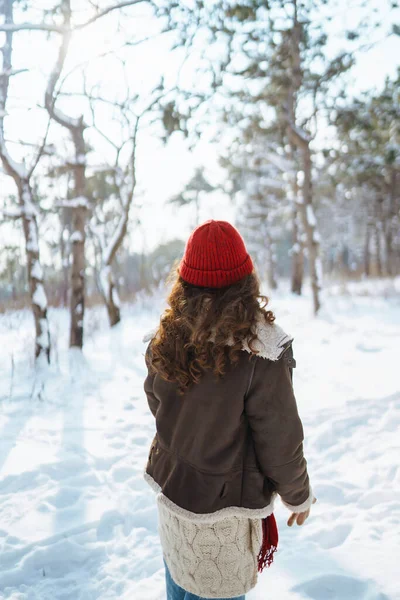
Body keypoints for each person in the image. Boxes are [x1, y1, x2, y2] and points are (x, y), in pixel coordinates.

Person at [143, 220, 315, 600]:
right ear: (245, 280)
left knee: (181, 584)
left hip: (174, 496)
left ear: (186, 280)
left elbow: (156, 400)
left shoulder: (168, 334)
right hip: (225, 514)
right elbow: (280, 439)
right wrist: (298, 495)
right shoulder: (261, 349)